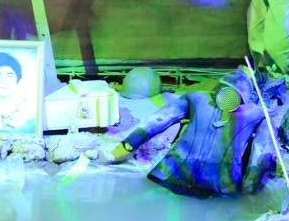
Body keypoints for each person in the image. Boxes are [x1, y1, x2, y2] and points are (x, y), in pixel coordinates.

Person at [99, 70, 277, 197]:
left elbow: (156, 121)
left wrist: (122, 149)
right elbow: (261, 155)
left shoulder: (196, 98)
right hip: (220, 187)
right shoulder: (260, 114)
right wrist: (251, 192)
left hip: (171, 174)